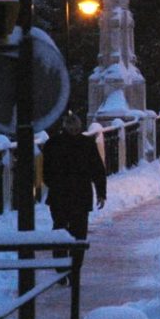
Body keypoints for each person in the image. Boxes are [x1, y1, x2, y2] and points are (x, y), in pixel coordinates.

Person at [42, 112, 107, 284]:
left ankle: (63, 270)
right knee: (78, 235)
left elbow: (46, 174)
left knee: (60, 233)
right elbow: (97, 170)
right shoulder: (86, 143)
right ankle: (72, 270)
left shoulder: (52, 144)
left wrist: (56, 184)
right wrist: (101, 192)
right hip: (79, 196)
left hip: (60, 197)